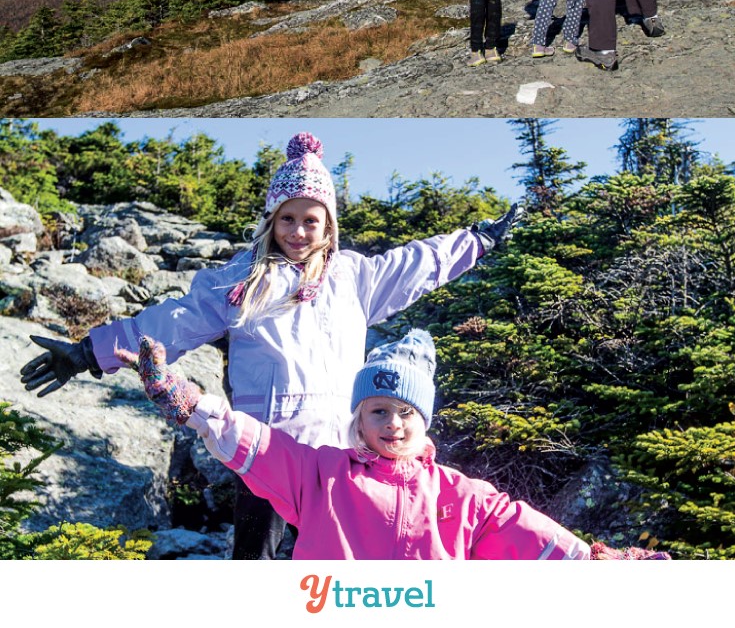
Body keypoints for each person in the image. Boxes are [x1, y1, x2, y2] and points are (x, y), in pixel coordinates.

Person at [20, 131, 522, 561]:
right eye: (287, 219)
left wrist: (477, 240)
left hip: (341, 453)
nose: (299, 231)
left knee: (339, 558)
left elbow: (417, 264)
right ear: (270, 219)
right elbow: (173, 320)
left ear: (328, 225)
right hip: (265, 450)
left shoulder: (354, 278)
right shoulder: (241, 280)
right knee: (254, 562)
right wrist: (89, 352)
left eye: (311, 220)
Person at [121, 330, 669, 562]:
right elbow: (256, 444)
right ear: (358, 417)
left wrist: (598, 561)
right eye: (378, 411)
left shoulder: (462, 495)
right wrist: (189, 400)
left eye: (406, 413)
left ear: (424, 419)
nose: (393, 424)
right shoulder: (320, 474)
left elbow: (529, 531)